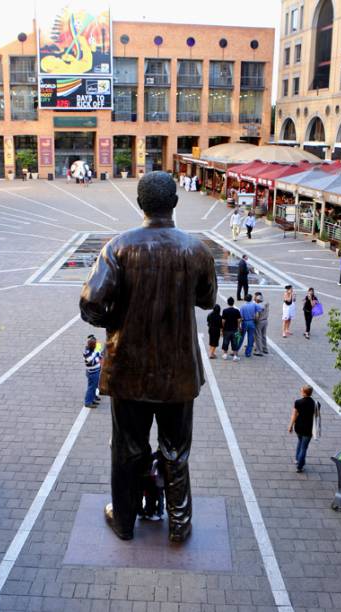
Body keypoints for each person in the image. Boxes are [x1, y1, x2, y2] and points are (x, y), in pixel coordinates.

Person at [80, 171, 217, 543]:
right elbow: (207, 300)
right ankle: (180, 524)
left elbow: (90, 303)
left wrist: (116, 323)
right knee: (176, 452)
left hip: (128, 370)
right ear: (175, 202)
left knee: (127, 449)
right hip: (179, 373)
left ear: (140, 204)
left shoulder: (118, 247)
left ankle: (124, 521)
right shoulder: (197, 249)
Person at [288, 385, 320, 473]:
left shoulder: (298, 402)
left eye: (301, 390)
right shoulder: (316, 404)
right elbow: (317, 415)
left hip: (298, 427)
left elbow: (294, 415)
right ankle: (300, 466)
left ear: (304, 393)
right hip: (309, 429)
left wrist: (290, 426)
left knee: (300, 441)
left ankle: (297, 459)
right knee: (304, 447)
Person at [139, 450, 165, 521]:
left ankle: (147, 512)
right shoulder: (162, 461)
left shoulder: (155, 461)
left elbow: (152, 473)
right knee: (159, 497)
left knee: (151, 497)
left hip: (155, 482)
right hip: (160, 482)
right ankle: (158, 512)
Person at [239, 294, 262, 358]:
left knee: (241, 337)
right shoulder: (254, 305)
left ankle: (236, 350)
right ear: (251, 299)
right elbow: (261, 309)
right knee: (250, 338)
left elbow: (241, 316)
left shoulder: (242, 306)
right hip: (251, 322)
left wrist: (240, 325)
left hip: (245, 322)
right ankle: (248, 353)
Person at [83, 335, 102, 409]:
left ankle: (93, 397)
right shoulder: (88, 354)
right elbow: (96, 359)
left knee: (94, 386)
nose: (96, 345)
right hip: (93, 373)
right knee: (92, 387)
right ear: (93, 346)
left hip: (94, 371)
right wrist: (98, 353)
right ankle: (88, 402)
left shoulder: (91, 350)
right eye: (95, 344)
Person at [221, 297, 242, 361]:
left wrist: (222, 329)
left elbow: (223, 321)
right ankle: (235, 356)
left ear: (227, 303)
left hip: (226, 330)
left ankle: (225, 355)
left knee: (225, 342)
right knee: (234, 343)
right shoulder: (236, 311)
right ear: (233, 303)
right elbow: (239, 320)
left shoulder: (225, 311)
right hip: (234, 329)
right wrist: (239, 328)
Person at [253, 292, 270, 356]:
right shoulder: (266, 304)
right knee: (263, 335)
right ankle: (265, 348)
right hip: (265, 321)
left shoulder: (258, 306)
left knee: (258, 336)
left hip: (259, 322)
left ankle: (259, 351)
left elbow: (257, 316)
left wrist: (255, 321)